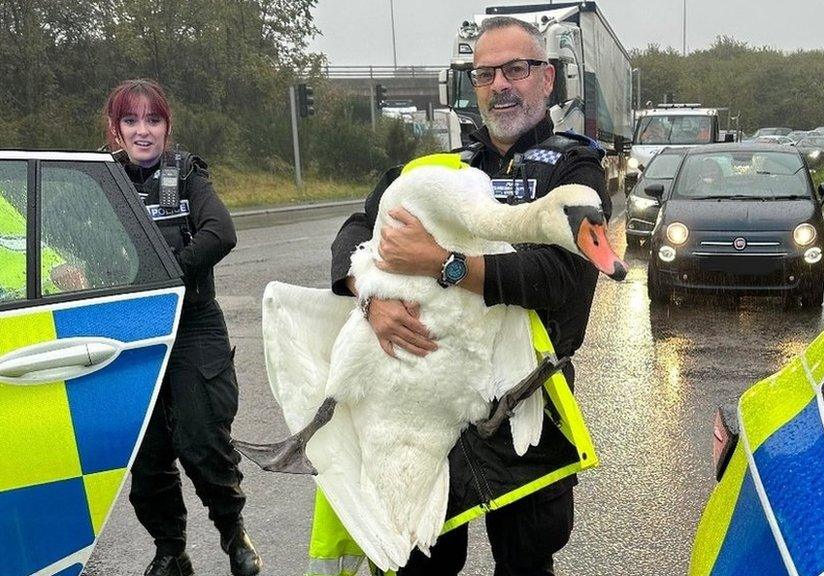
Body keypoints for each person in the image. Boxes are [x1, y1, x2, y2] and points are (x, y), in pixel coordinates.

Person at [329, 17, 610, 576]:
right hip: (433, 402)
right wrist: (369, 297)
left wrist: (443, 265)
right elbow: (357, 233)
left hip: (523, 400)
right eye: (486, 74)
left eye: (517, 69)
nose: (501, 84)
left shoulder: (574, 169)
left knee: (528, 556)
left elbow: (560, 279)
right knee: (421, 559)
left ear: (547, 79)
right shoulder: (441, 169)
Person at [102, 79, 261, 576]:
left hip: (192, 324)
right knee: (147, 462)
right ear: (116, 129)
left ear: (167, 127)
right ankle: (170, 551)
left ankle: (235, 535)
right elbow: (73, 244)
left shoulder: (187, 172)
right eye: (131, 121)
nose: (143, 131)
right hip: (130, 331)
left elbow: (221, 232)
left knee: (202, 441)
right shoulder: (101, 180)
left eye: (153, 120)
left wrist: (166, 273)